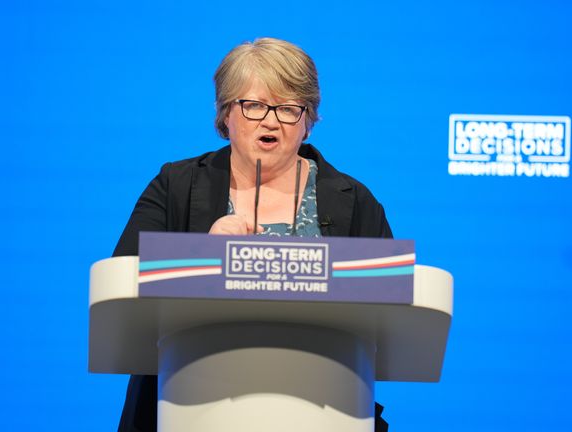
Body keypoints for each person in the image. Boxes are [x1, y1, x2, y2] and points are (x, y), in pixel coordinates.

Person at [113, 37, 391, 432]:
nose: (271, 120)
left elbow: (388, 309)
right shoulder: (175, 185)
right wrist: (202, 256)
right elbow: (124, 284)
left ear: (309, 121)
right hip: (187, 409)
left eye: (289, 108)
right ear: (226, 113)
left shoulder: (356, 201)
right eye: (254, 105)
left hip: (320, 411)